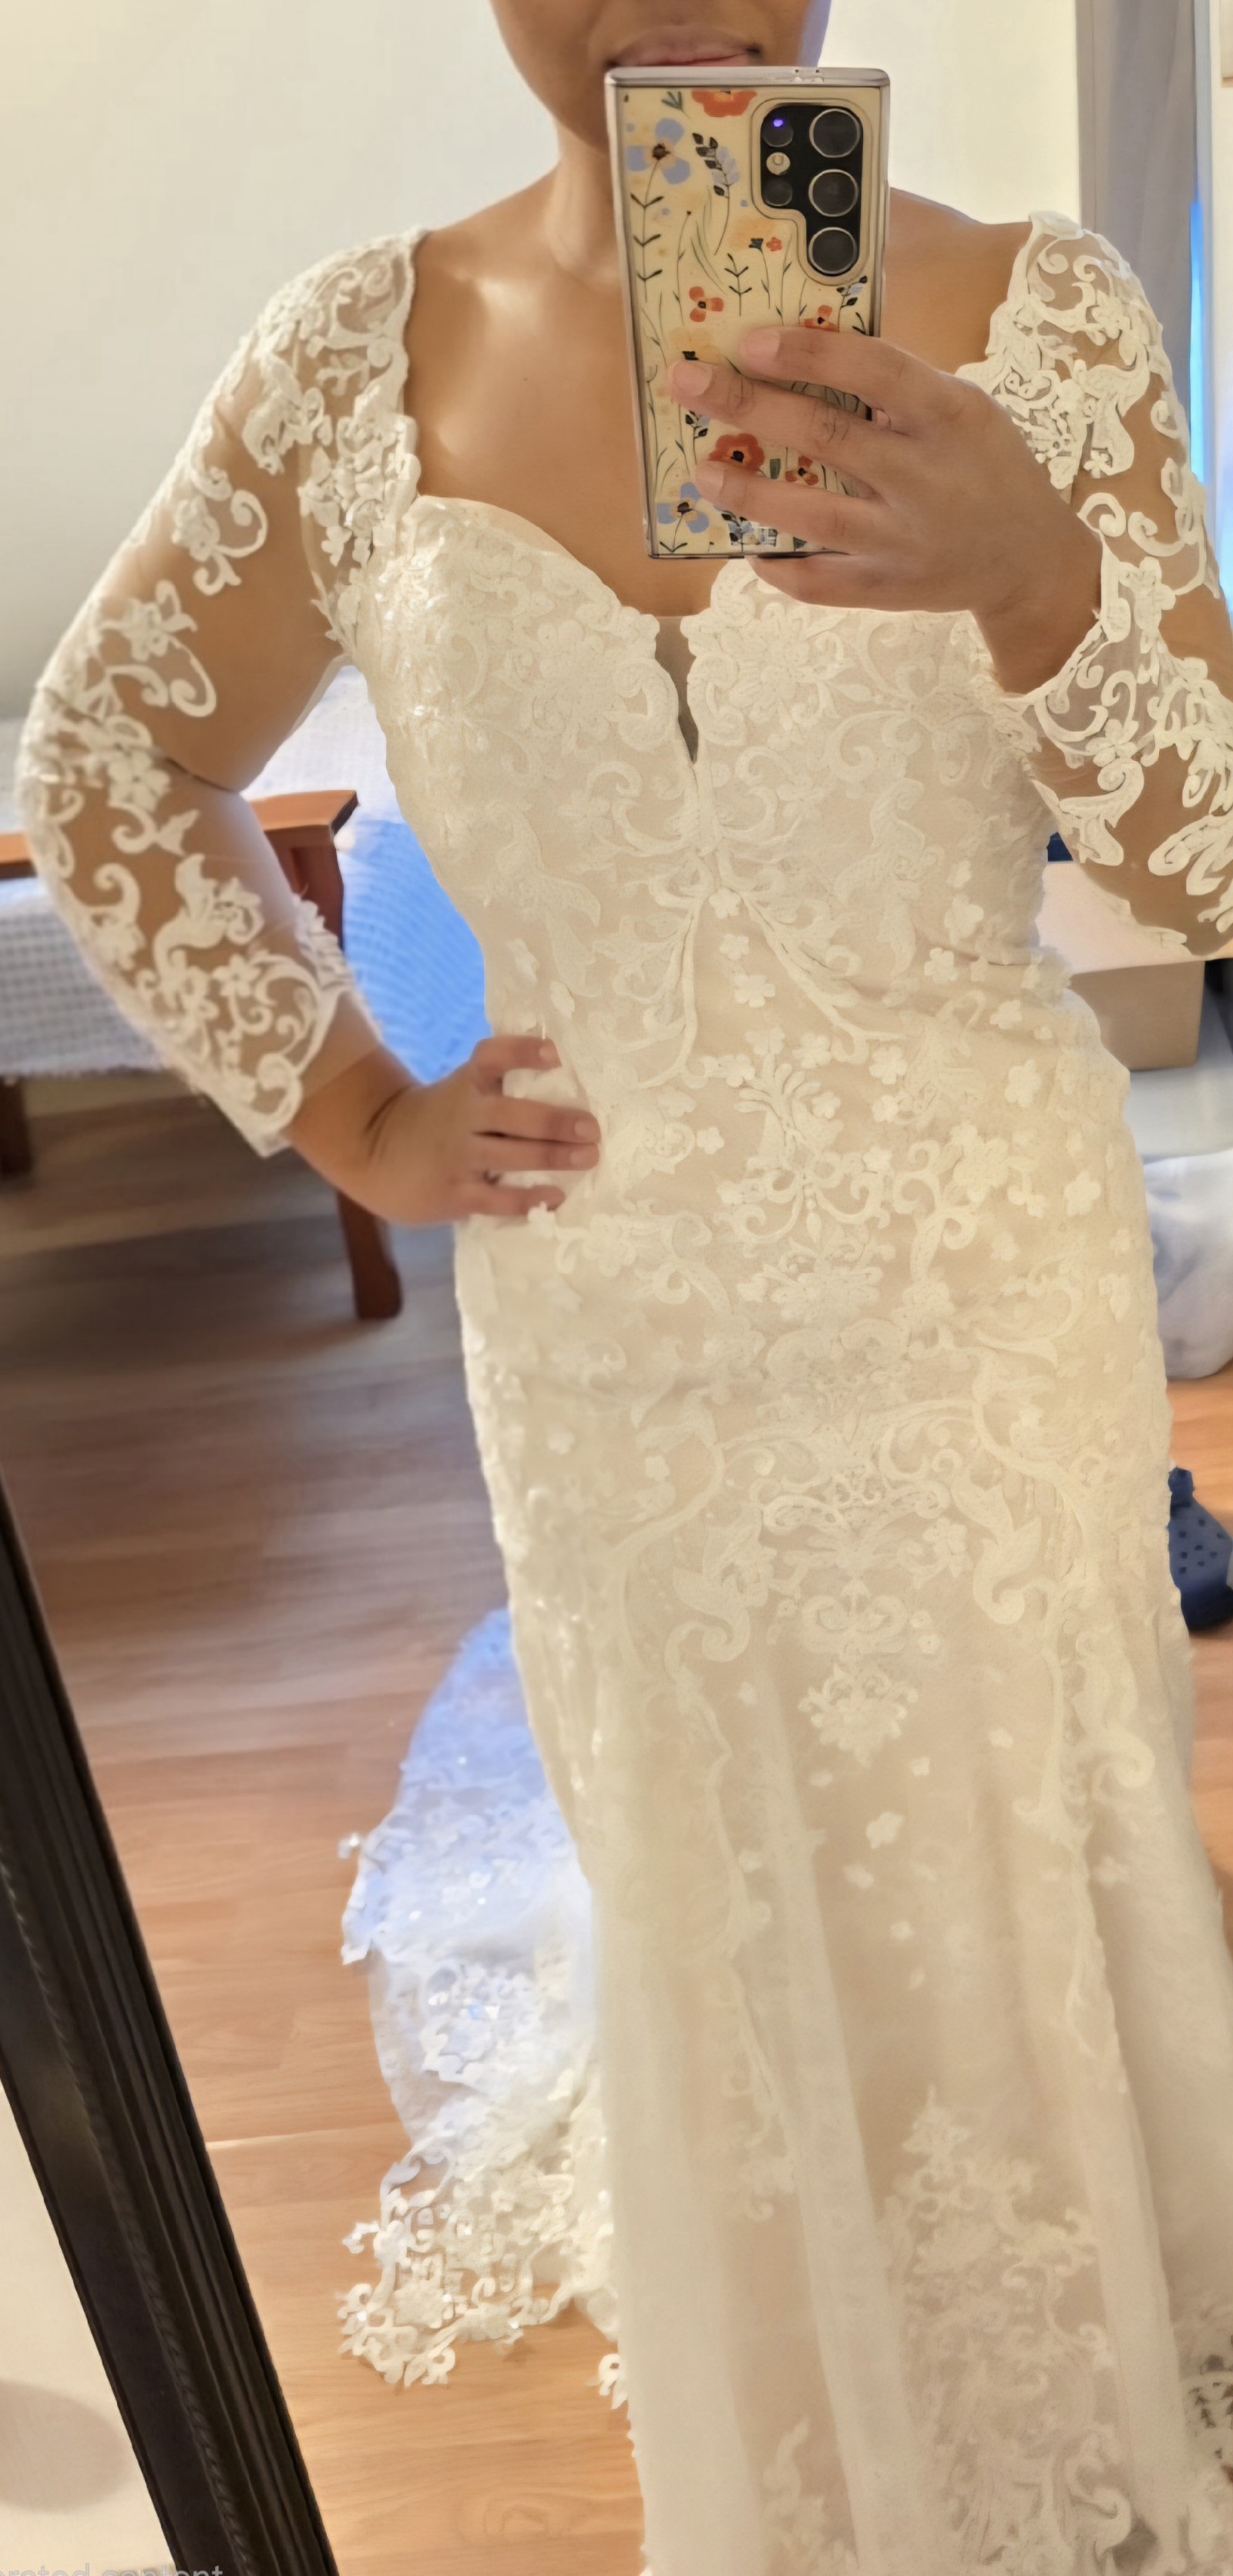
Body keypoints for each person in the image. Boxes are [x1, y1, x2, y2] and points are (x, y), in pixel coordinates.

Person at [18, 2, 1233, 2567]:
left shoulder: (1042, 314)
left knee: (1034, 1808)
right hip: (607, 1318)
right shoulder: (355, 358)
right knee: (710, 1854)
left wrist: (1040, 585)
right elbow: (106, 764)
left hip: (980, 1281)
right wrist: (351, 1107)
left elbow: (1213, 860)